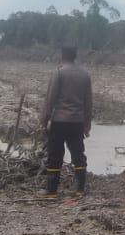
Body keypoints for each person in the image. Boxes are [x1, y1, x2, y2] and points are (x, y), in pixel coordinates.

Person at [39, 45, 92, 199]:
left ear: (62, 56)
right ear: (75, 56)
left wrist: (44, 121)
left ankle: (52, 191)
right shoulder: (84, 74)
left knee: (55, 154)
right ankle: (80, 189)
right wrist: (87, 124)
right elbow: (88, 102)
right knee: (78, 153)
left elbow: (50, 100)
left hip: (59, 121)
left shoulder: (59, 73)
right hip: (77, 121)